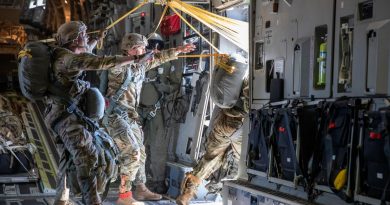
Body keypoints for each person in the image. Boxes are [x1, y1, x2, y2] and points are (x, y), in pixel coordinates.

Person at [44, 21, 144, 205]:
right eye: (84, 34)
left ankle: (61, 199)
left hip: (58, 114)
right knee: (87, 157)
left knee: (67, 156)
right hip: (66, 117)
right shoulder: (70, 60)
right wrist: (135, 59)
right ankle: (92, 201)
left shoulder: (63, 54)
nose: (87, 37)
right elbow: (99, 62)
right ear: (74, 39)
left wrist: (97, 39)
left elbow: (85, 51)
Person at [102, 33, 195, 205]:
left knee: (142, 153)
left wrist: (178, 50)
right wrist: (137, 58)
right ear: (129, 49)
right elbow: (117, 63)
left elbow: (158, 59)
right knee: (133, 153)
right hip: (116, 115)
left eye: (145, 48)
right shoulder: (118, 65)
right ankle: (124, 196)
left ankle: (141, 187)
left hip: (130, 116)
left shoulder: (139, 66)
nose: (145, 50)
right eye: (141, 47)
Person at [176, 76, 249, 205]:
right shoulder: (255, 83)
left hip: (221, 125)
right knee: (244, 161)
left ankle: (187, 193)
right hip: (238, 126)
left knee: (210, 158)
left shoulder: (238, 80)